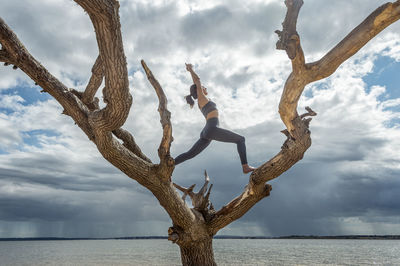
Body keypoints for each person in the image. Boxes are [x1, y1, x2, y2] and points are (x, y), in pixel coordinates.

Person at [174, 63, 255, 174]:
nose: (205, 87)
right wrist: (191, 70)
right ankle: (245, 167)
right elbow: (197, 80)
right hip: (211, 129)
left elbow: (198, 84)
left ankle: (169, 165)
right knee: (241, 140)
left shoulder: (202, 101)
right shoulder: (201, 98)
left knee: (190, 154)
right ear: (199, 90)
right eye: (203, 87)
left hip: (207, 132)